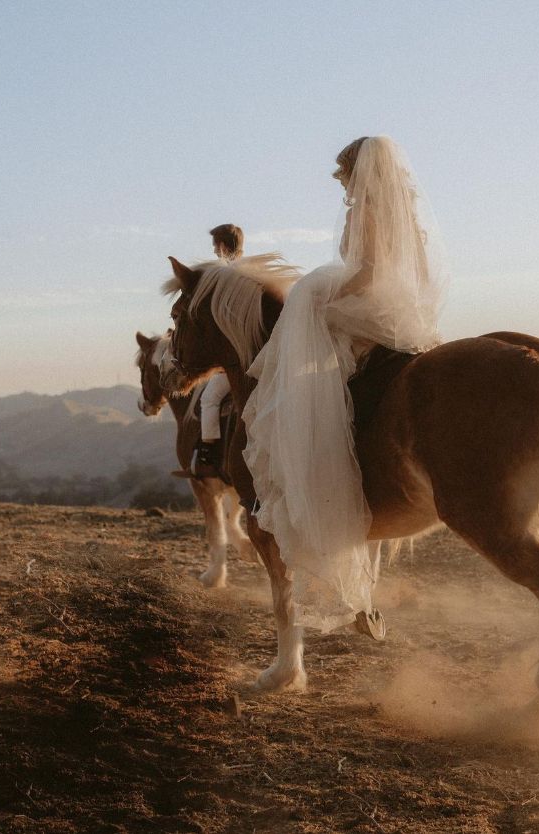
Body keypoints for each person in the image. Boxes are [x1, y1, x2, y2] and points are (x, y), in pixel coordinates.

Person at [242, 136, 444, 632]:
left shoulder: (367, 212)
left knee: (305, 375)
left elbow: (371, 271)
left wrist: (329, 300)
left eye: (344, 173)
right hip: (401, 312)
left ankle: (313, 463)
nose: (343, 183)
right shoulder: (409, 215)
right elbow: (412, 274)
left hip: (373, 307)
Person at [194, 224, 244, 478]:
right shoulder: (250, 272)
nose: (214, 251)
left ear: (224, 246)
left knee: (209, 398)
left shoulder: (224, 278)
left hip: (235, 360)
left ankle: (207, 450)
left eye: (215, 246)